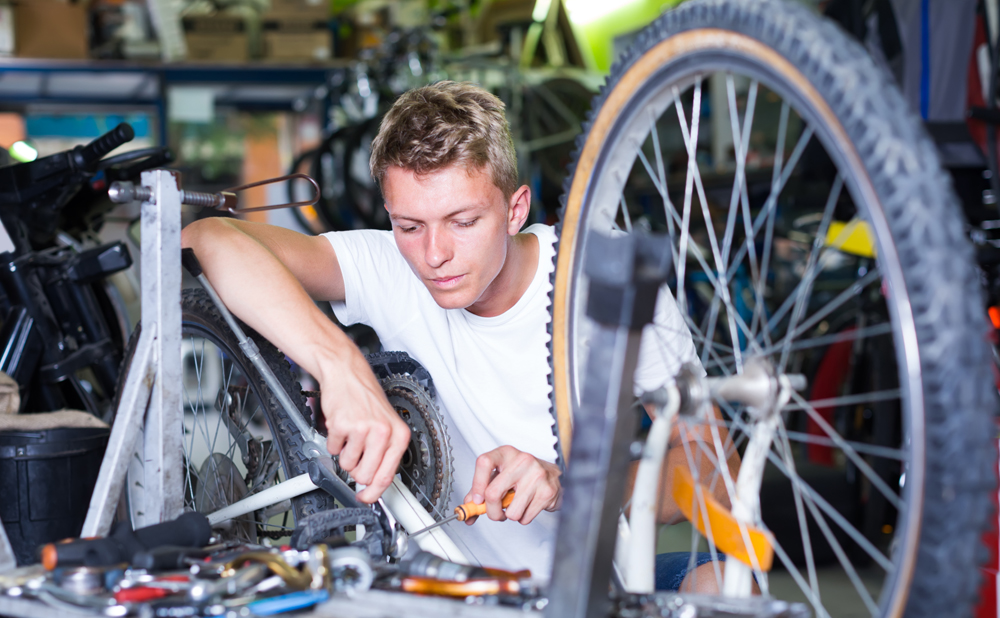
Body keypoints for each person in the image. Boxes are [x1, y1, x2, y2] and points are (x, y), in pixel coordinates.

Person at [182, 80, 735, 587]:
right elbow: (203, 239)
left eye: (464, 222)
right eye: (410, 226)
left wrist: (571, 485)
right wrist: (340, 367)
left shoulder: (602, 275)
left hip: (585, 598)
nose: (435, 254)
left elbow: (712, 463)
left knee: (726, 587)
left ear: (515, 209)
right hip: (445, 599)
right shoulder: (391, 268)